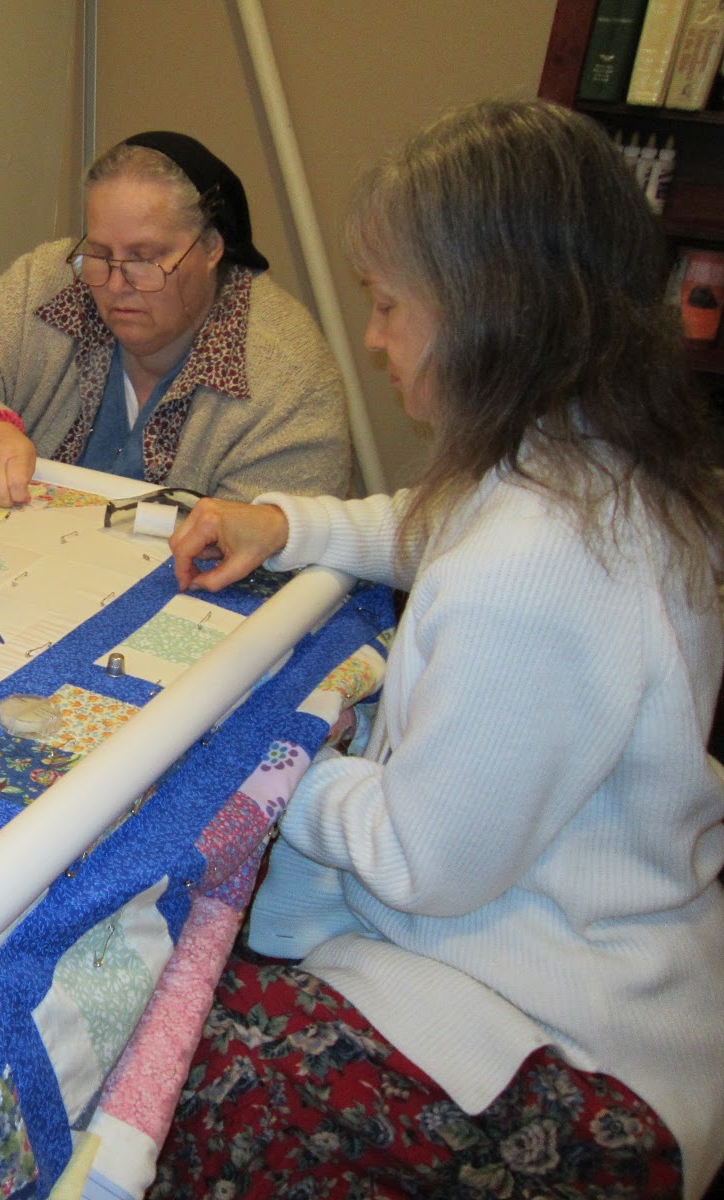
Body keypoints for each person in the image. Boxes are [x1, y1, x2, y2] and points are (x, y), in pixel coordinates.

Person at [153, 99, 724, 1199]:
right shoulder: (598, 460)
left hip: (564, 1055)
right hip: (635, 968)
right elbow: (431, 521)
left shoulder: (535, 561)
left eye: (387, 305)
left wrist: (269, 763)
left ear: (486, 316)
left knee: (157, 1063)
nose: (373, 337)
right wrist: (287, 522)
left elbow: (425, 862)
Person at [0, 131, 351, 508]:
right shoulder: (54, 276)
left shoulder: (288, 370)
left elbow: (272, 539)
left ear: (211, 250)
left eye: (146, 258)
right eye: (101, 254)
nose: (116, 282)